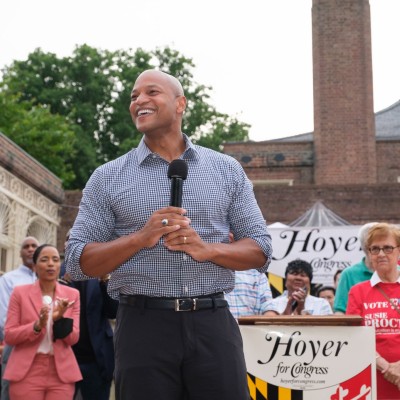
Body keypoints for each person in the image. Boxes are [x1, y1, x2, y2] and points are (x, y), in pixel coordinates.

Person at [65, 69, 272, 400]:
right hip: (141, 328)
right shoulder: (107, 177)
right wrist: (140, 237)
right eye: (134, 96)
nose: (139, 101)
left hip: (213, 324)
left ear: (180, 104)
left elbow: (261, 249)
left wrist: (207, 250)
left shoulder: (225, 169)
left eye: (151, 92)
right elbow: (76, 262)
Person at [3, 244, 82, 399]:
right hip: (26, 370)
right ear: (35, 266)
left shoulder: (72, 295)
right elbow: (10, 335)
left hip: (61, 373)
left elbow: (73, 338)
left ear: (60, 265)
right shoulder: (20, 293)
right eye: (44, 259)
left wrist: (59, 319)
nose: (51, 264)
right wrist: (37, 325)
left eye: (55, 259)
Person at [61, 231, 118, 400]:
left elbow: (113, 312)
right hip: (64, 358)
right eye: (71, 240)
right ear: (66, 246)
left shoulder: (102, 272)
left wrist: (104, 282)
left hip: (97, 360)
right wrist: (62, 282)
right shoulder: (55, 271)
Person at [346, 223, 400, 399]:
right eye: (375, 249)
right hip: (371, 381)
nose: (381, 254)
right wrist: (386, 367)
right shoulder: (357, 291)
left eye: (388, 248)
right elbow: (353, 336)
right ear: (369, 254)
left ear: (398, 251)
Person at [0, 236, 39, 400]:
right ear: (20, 253)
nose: (30, 249)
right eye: (26, 246)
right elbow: (4, 318)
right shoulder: (8, 280)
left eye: (34, 246)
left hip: (44, 352)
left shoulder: (47, 281)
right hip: (15, 348)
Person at [333, 222, 378, 314]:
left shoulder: (397, 271)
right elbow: (340, 311)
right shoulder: (348, 274)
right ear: (364, 246)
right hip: (359, 327)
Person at [264, 259, 332, 316]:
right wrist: (288, 307)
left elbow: (326, 328)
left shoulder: (322, 304)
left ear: (309, 282)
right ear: (286, 281)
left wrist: (301, 308)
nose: (298, 278)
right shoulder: (272, 304)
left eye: (303, 275)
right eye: (294, 274)